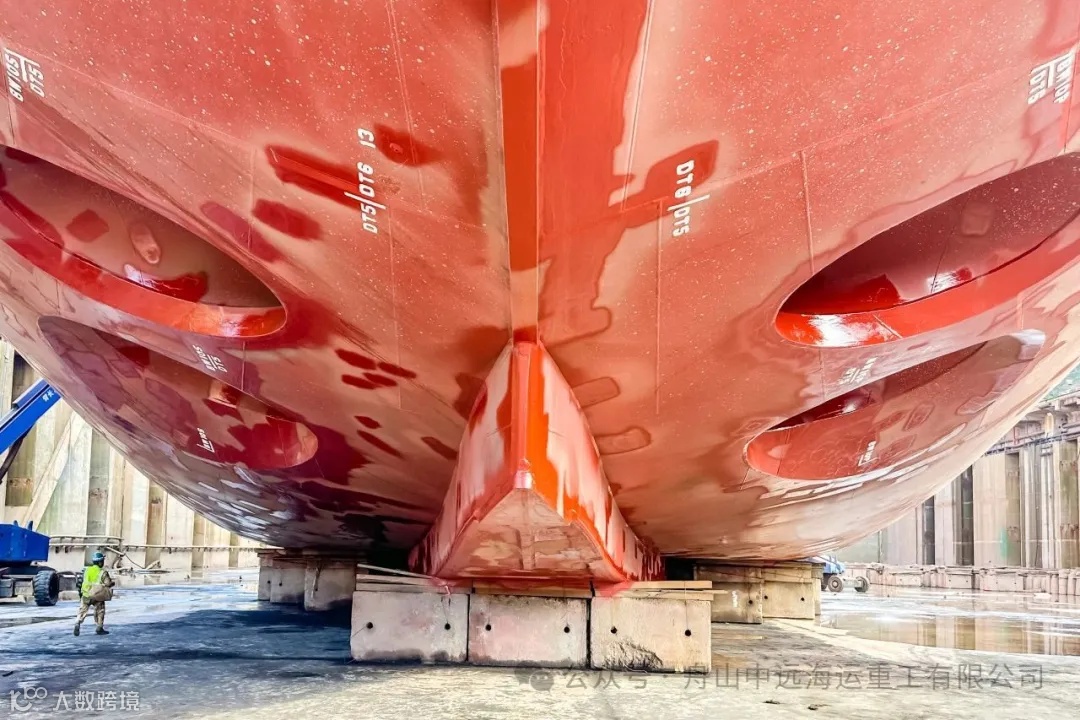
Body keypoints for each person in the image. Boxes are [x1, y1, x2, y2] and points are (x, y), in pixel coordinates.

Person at [74, 552, 114, 636]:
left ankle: (78, 622)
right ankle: (99, 627)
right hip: (97, 595)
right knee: (100, 610)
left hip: (86, 594)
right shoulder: (103, 572)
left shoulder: (87, 570)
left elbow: (81, 581)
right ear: (100, 562)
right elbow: (108, 583)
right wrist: (112, 583)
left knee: (82, 610)